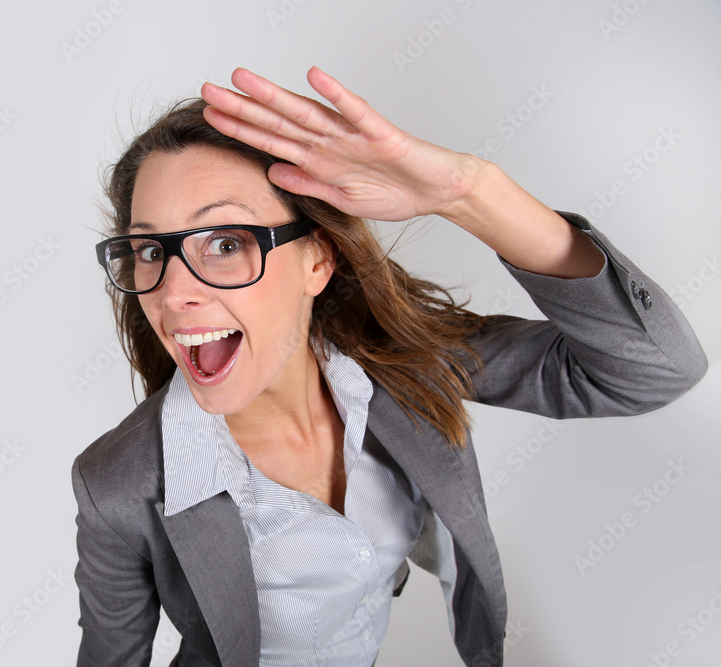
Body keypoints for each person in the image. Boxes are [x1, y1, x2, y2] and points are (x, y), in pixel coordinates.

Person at [72, 66, 708, 666]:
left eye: (226, 242)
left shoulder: (402, 365)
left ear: (318, 261)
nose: (174, 292)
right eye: (149, 250)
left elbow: (652, 369)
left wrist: (468, 192)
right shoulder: (118, 485)